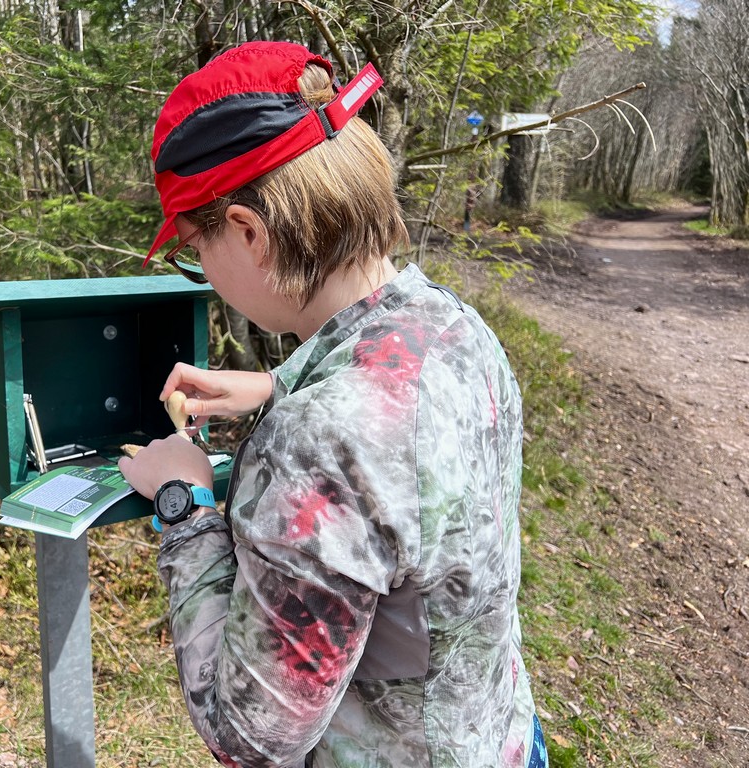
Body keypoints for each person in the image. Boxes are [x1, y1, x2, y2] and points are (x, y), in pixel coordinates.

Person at [118, 41, 547, 768]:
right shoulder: (453, 325)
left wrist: (182, 503)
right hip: (499, 738)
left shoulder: (316, 442)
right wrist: (274, 387)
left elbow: (251, 738)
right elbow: (396, 435)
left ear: (249, 233)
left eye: (197, 245)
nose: (204, 271)